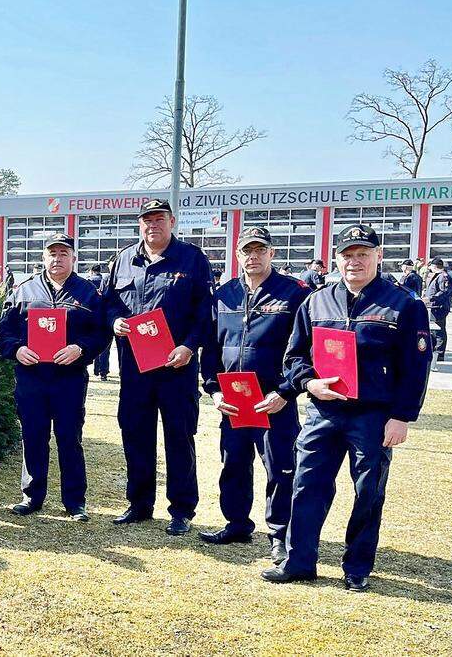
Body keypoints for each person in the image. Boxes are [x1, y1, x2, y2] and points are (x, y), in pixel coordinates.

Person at [264, 223, 432, 592]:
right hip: (323, 412)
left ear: (378, 256)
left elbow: (415, 368)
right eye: (347, 255)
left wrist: (402, 416)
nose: (354, 261)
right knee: (306, 485)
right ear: (337, 259)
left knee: (368, 491)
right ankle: (298, 562)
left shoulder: (404, 304)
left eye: (362, 254)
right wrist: (309, 383)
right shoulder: (316, 301)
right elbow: (294, 357)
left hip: (373, 415)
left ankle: (357, 567)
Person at [199, 227, 310, 564]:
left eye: (260, 250)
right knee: (233, 463)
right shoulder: (224, 295)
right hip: (234, 399)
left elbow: (306, 349)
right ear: (237, 255)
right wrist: (214, 390)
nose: (253, 256)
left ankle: (278, 534)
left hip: (273, 399)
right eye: (247, 251)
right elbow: (212, 349)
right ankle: (236, 523)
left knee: (279, 468)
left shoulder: (293, 294)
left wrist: (286, 391)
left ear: (271, 254)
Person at [102, 199, 213, 535]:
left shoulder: (193, 259)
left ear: (172, 221)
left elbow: (205, 311)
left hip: (176, 367)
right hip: (135, 366)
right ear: (140, 224)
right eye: (146, 219)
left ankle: (181, 510)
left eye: (159, 219)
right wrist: (115, 322)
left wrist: (189, 346)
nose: (153, 225)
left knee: (179, 436)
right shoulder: (123, 259)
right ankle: (139, 503)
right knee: (135, 433)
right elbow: (107, 303)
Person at [0, 234, 110, 519]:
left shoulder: (88, 293)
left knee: (69, 438)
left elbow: (101, 333)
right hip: (31, 377)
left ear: (74, 258)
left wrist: (80, 348)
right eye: (52, 253)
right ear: (43, 258)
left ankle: (74, 502)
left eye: (63, 253)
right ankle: (31, 496)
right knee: (33, 436)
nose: (57, 258)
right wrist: (17, 349)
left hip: (69, 378)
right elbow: (4, 331)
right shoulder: (23, 291)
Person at [422, 258, 452, 365]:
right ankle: (434, 350)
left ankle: (439, 353)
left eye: (431, 266)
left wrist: (431, 298)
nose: (430, 268)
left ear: (435, 266)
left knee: (439, 330)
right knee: (433, 330)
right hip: (433, 306)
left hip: (439, 307)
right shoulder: (437, 276)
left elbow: (445, 291)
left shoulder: (444, 276)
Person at [84, 264, 111, 381]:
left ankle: (94, 370)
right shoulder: (106, 280)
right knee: (105, 348)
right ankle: (103, 372)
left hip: (89, 317)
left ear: (91, 271)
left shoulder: (86, 282)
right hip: (105, 317)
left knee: (89, 343)